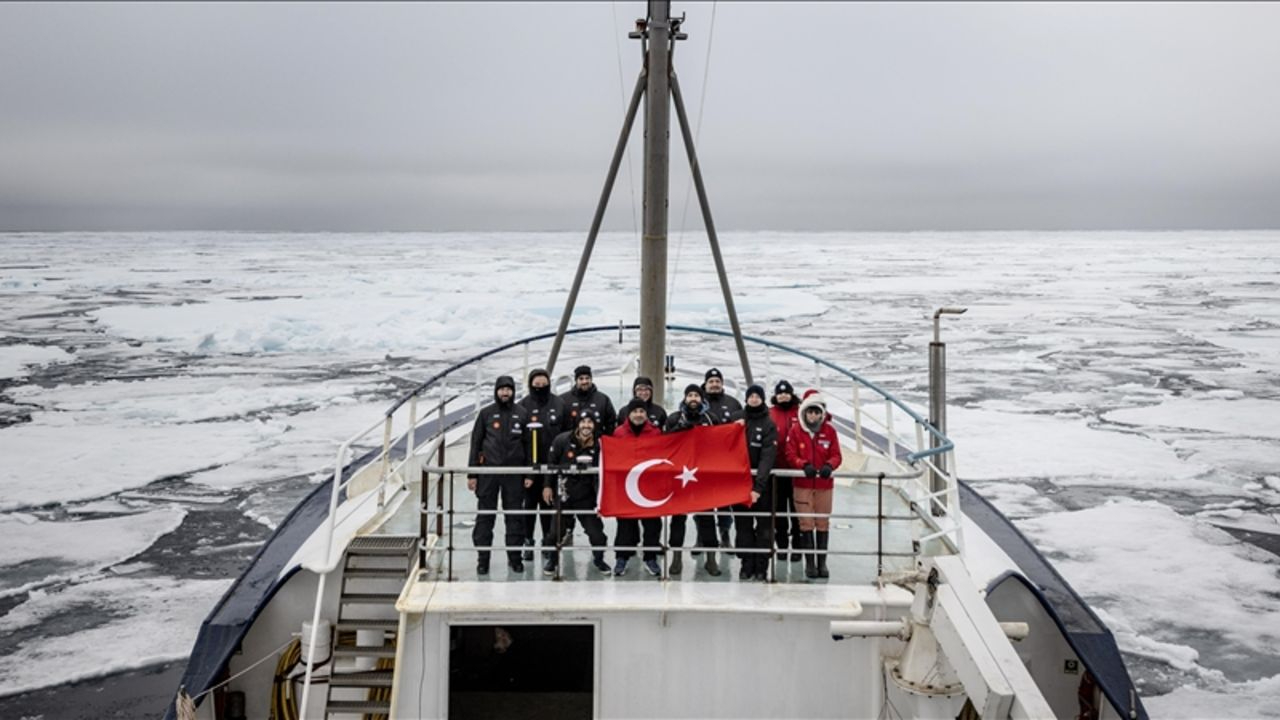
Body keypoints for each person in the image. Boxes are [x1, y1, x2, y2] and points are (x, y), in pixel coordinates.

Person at [468, 375, 533, 575]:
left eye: (508, 389)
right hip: (489, 472)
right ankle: (483, 559)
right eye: (502, 389)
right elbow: (476, 443)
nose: (505, 393)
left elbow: (529, 445)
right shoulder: (486, 414)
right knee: (485, 517)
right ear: (496, 391)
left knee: (514, 517)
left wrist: (529, 472)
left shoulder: (522, 413)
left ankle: (515, 558)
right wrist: (472, 474)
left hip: (514, 473)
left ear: (513, 391)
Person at [783, 390, 843, 580]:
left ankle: (822, 564)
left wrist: (829, 465)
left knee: (823, 522)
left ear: (821, 414)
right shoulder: (795, 431)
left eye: (817, 412)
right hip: (803, 484)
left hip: (824, 485)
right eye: (810, 411)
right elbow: (790, 454)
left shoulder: (830, 431)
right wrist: (803, 465)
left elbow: (837, 455)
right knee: (806, 523)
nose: (813, 415)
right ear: (804, 412)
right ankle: (810, 564)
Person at [543, 412, 611, 576]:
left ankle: (599, 559)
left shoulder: (600, 444)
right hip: (564, 493)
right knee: (555, 532)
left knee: (597, 534)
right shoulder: (562, 440)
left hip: (587, 496)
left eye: (590, 422)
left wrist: (602, 497)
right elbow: (551, 463)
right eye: (583, 422)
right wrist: (547, 486)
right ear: (578, 424)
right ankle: (552, 560)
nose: (586, 425)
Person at [663, 383, 719, 576]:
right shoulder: (674, 418)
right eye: (690, 395)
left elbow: (721, 443)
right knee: (678, 519)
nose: (693, 399)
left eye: (696, 395)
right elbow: (664, 444)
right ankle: (676, 558)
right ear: (685, 398)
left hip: (703, 477)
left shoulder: (711, 419)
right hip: (680, 476)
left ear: (701, 398)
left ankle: (711, 559)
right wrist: (678, 429)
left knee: (707, 519)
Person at [518, 368, 569, 562]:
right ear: (531, 385)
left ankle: (547, 542)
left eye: (544, 384)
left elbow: (567, 433)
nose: (540, 387)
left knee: (548, 505)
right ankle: (528, 541)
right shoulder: (523, 406)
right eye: (536, 385)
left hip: (552, 466)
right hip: (530, 467)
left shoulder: (559, 404)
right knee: (529, 506)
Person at [611, 398, 663, 577]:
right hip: (626, 487)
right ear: (629, 414)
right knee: (625, 525)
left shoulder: (655, 432)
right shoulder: (619, 432)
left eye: (642, 411)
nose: (638, 415)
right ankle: (621, 557)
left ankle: (650, 557)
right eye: (635, 411)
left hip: (650, 487)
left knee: (652, 525)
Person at [734, 384, 778, 581]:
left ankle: (762, 567)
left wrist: (758, 487)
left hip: (762, 487)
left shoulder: (768, 424)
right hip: (739, 486)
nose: (754, 399)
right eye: (751, 396)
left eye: (757, 396)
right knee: (743, 528)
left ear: (762, 399)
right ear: (746, 399)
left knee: (764, 529)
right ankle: (746, 564)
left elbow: (767, 457)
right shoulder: (737, 419)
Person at [702, 368, 742, 549]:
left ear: (722, 383)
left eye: (717, 381)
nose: (714, 384)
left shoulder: (733, 403)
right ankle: (702, 536)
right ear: (705, 384)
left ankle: (725, 535)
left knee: (725, 502)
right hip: (702, 463)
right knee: (702, 502)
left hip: (726, 463)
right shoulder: (698, 403)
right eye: (711, 381)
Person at [769, 380, 803, 563]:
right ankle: (781, 545)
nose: (783, 395)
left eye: (786, 393)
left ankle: (797, 546)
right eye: (780, 393)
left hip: (797, 472)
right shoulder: (770, 413)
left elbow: (821, 418)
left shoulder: (801, 412)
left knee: (797, 510)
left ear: (791, 394)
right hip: (777, 471)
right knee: (780, 511)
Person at [560, 364, 617, 433]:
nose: (584, 381)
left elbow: (611, 423)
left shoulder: (603, 399)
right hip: (570, 438)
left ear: (591, 379)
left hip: (596, 438)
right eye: (581, 379)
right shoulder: (564, 399)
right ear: (576, 380)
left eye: (587, 378)